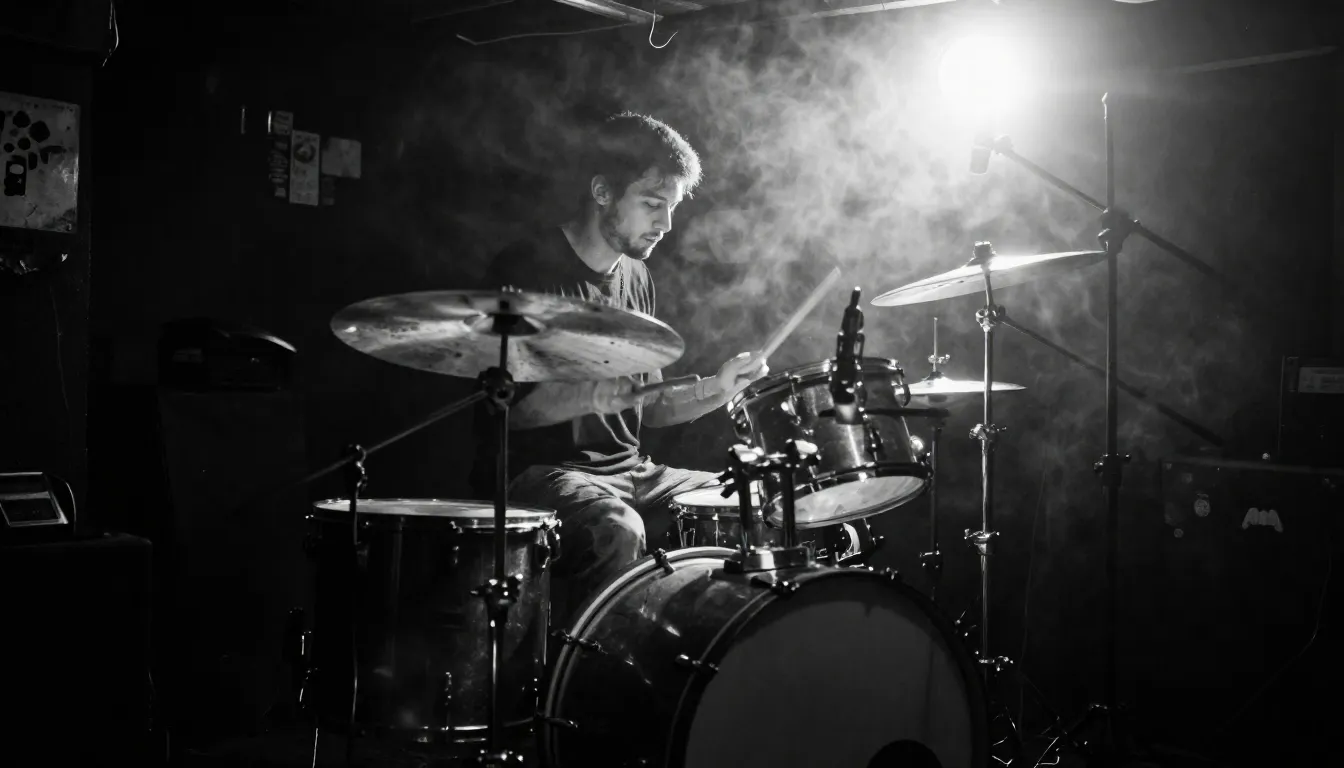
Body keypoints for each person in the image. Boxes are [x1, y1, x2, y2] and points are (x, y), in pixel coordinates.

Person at [475, 112, 768, 624]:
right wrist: (590, 395)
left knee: (751, 502)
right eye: (653, 204)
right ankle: (593, 668)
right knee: (617, 530)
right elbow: (508, 414)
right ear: (603, 192)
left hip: (633, 473)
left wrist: (718, 388)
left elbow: (649, 409)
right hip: (543, 473)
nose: (666, 224)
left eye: (672, 207)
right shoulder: (526, 269)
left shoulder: (638, 277)